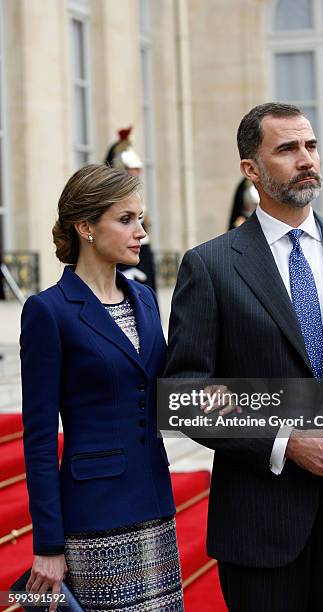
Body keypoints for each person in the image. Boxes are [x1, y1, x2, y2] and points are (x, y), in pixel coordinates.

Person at [164, 102, 323, 611]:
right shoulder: (210, 266)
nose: (306, 159)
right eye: (287, 149)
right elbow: (184, 394)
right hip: (258, 524)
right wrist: (285, 441)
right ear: (251, 170)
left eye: (311, 146)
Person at [20, 164, 183, 611]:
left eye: (141, 219)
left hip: (155, 505)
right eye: (127, 219)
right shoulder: (47, 311)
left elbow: (165, 390)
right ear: (87, 226)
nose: (142, 233)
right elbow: (37, 440)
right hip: (95, 517)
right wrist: (48, 545)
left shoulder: (146, 299)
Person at [105, 126, 157, 291]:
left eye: (137, 169)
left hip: (141, 255)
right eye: (131, 169)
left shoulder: (137, 198)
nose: (136, 173)